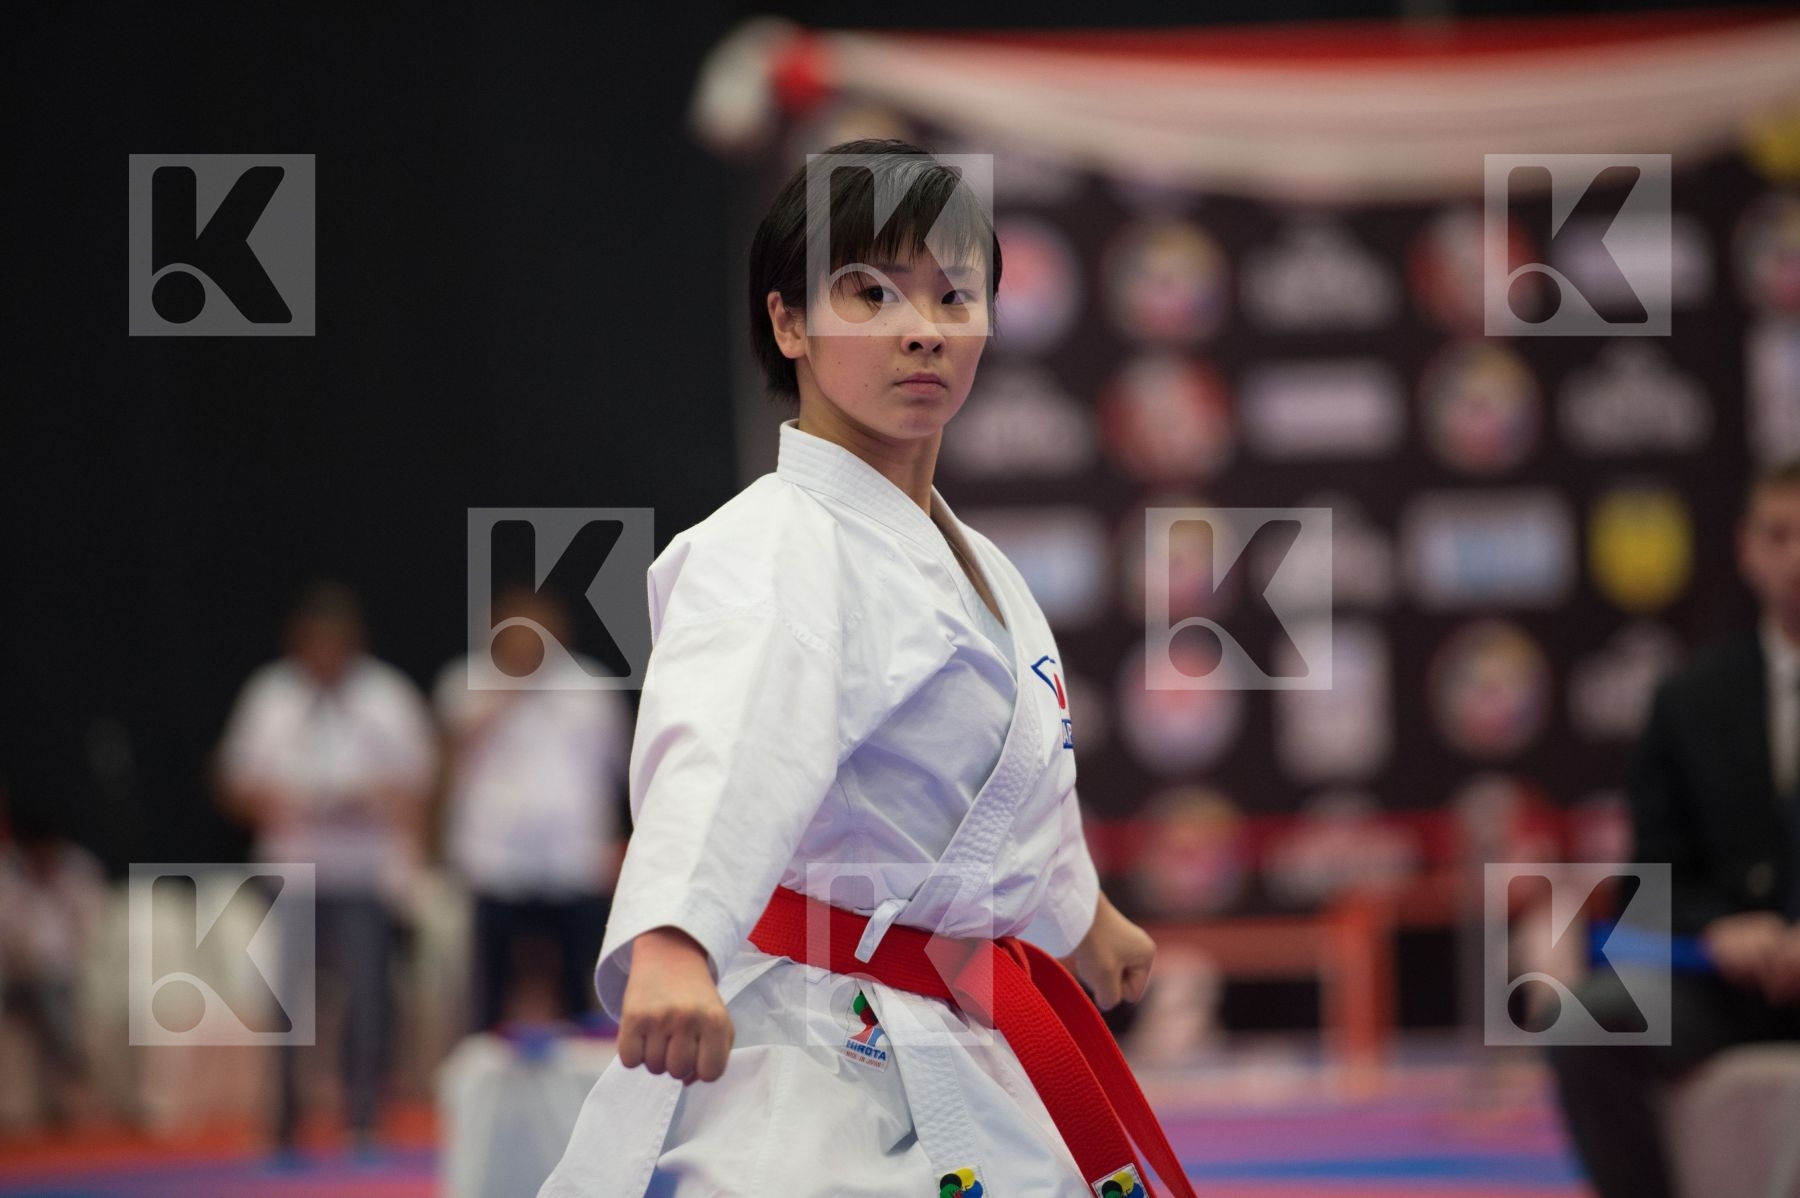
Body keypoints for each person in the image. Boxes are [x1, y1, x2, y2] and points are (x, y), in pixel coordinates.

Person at [539, 138, 1177, 1198]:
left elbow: (988, 799)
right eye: (869, 292)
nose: (922, 328)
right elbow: (726, 749)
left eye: (952, 294)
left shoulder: (983, 567)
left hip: (946, 1024)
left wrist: (1081, 912)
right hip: (803, 1046)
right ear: (788, 322)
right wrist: (671, 938)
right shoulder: (771, 544)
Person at [1545, 458, 1800, 1198]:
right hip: (1721, 987)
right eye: (1778, 535)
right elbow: (1645, 886)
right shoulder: (1689, 699)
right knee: (1586, 1022)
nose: (1796, 558)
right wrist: (1719, 931)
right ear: (1745, 547)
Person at [216, 580, 437, 1154]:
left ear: (354, 643)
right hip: (291, 872)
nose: (325, 655)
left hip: (363, 874)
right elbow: (232, 784)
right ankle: (285, 1125)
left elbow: (422, 786)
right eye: (314, 644)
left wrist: (375, 802)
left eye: (336, 643)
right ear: (297, 644)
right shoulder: (269, 695)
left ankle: (363, 1119)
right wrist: (279, 799)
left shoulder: (387, 696)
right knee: (286, 1003)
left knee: (366, 999)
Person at [434, 584, 631, 1031]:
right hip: (494, 862)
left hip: (572, 861)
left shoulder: (592, 688)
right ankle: (486, 1077)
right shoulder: (465, 684)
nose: (528, 640)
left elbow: (619, 773)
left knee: (579, 983)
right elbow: (443, 765)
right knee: (491, 985)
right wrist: (505, 694)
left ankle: (580, 1075)